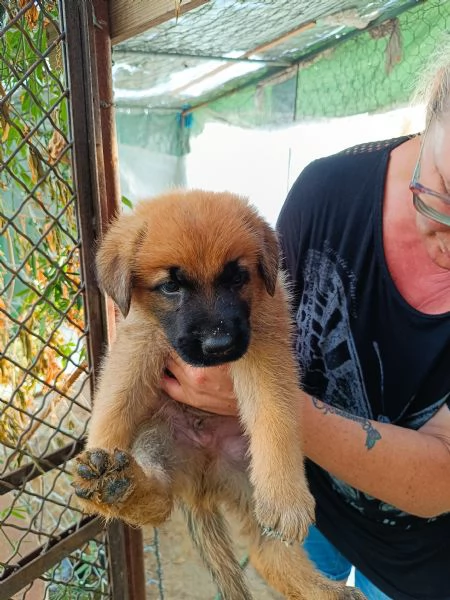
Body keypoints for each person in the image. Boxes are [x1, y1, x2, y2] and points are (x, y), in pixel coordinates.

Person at [160, 48, 450, 600]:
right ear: (430, 117)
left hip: (420, 561)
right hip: (302, 491)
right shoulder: (327, 192)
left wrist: (256, 396)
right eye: (443, 196)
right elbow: (256, 312)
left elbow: (440, 478)